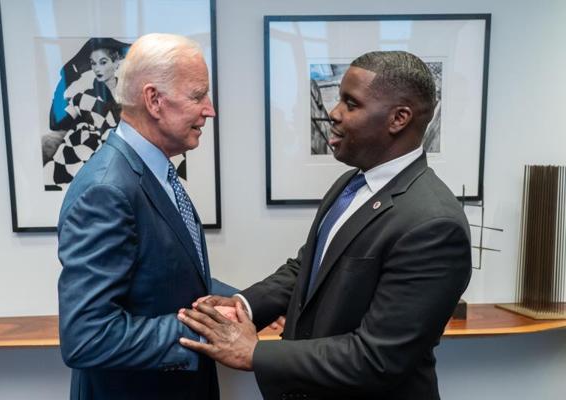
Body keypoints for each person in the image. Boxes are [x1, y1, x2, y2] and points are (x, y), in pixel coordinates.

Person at [177, 51, 472, 400]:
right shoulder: (350, 185)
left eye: (351, 103)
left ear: (398, 118)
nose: (334, 113)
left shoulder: (434, 224)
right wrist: (243, 305)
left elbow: (378, 357)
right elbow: (307, 269)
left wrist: (254, 353)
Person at [57, 33, 235, 400]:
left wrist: (240, 302)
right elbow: (87, 337)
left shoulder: (154, 171)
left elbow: (166, 278)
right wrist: (206, 332)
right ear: (154, 100)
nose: (210, 110)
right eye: (198, 96)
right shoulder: (106, 189)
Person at [43, 38, 128, 190]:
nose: (97, 68)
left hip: (119, 172)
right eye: (93, 63)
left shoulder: (131, 97)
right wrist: (66, 77)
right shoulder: (84, 98)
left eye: (103, 62)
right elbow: (55, 122)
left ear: (116, 63)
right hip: (77, 168)